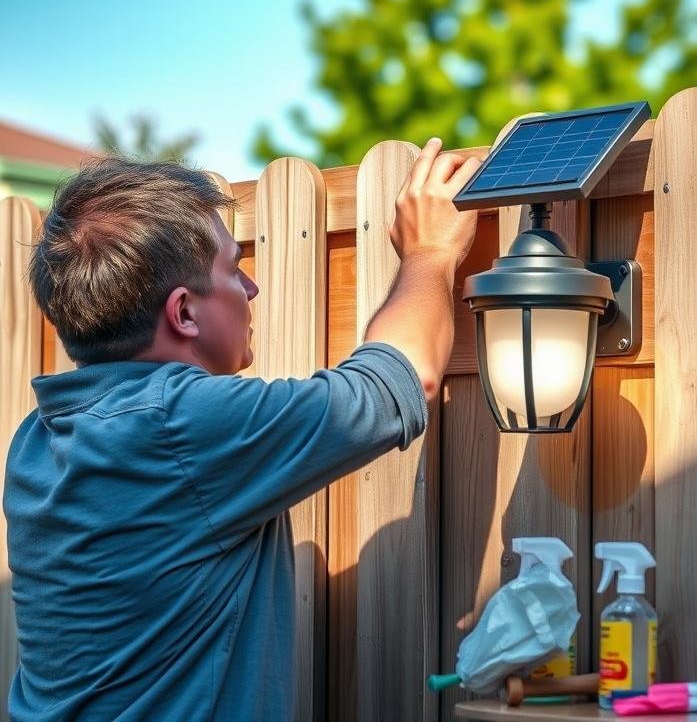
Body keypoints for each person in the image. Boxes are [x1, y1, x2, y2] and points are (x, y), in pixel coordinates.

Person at [2, 138, 479, 721]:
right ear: (183, 312)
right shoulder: (177, 427)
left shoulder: (40, 436)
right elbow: (398, 383)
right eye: (233, 268)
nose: (251, 288)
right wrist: (429, 253)